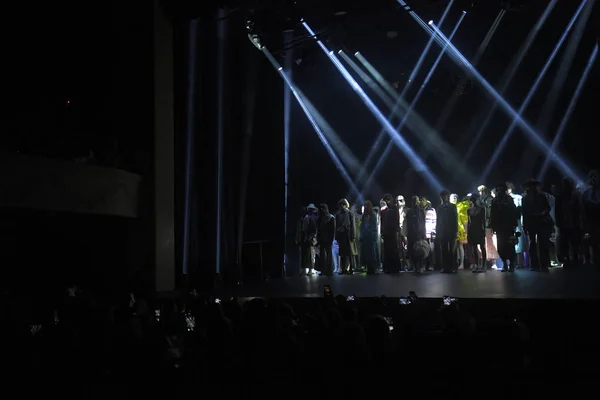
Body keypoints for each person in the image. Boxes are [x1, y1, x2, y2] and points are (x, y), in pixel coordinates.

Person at [522, 178, 552, 272]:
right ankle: (535, 264)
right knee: (533, 243)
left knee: (542, 243)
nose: (532, 187)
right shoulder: (525, 199)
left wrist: (543, 213)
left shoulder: (541, 196)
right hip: (532, 222)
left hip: (541, 221)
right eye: (531, 186)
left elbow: (547, 208)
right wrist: (525, 225)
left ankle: (543, 264)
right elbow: (525, 213)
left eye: (533, 185)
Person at [490, 183, 519, 272]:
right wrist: (493, 226)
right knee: (501, 246)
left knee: (510, 245)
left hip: (509, 225)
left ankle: (512, 264)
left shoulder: (509, 199)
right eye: (498, 189)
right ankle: (505, 264)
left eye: (501, 189)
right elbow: (492, 214)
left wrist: (514, 224)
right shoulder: (494, 200)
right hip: (499, 226)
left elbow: (513, 211)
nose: (500, 190)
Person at [555, 177, 581, 268]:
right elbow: (557, 211)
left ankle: (573, 259)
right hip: (566, 223)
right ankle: (569, 260)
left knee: (573, 243)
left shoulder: (574, 196)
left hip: (571, 223)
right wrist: (558, 222)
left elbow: (578, 210)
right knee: (566, 243)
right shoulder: (560, 197)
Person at [436, 190, 458, 273]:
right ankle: (445, 267)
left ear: (448, 196)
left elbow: (455, 219)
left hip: (451, 230)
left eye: (445, 195)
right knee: (444, 249)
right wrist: (438, 231)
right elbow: (438, 221)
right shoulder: (439, 208)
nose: (444, 197)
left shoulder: (453, 206)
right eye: (442, 196)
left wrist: (456, 231)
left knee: (452, 250)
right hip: (443, 231)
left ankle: (453, 267)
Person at [380, 193, 401, 273]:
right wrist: (382, 231)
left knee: (394, 249)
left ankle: (395, 267)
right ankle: (388, 267)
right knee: (387, 250)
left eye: (387, 200)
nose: (387, 202)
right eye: (386, 200)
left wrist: (397, 230)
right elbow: (382, 220)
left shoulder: (395, 208)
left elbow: (397, 220)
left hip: (392, 232)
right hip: (386, 232)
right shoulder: (384, 209)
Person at [405, 196, 427, 273]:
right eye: (413, 200)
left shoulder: (421, 211)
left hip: (419, 234)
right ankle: (415, 266)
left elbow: (423, 223)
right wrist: (407, 233)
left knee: (420, 250)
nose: (414, 202)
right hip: (411, 234)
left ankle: (420, 266)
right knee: (412, 251)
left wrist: (424, 233)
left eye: (416, 200)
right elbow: (407, 223)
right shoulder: (409, 211)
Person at [507, 182, 526, 268]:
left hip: (518, 221)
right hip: (510, 222)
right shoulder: (505, 199)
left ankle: (521, 262)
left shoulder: (518, 197)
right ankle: (512, 263)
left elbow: (522, 211)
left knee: (519, 242)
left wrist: (522, 221)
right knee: (511, 242)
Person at [335, 198, 357, 275]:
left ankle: (351, 268)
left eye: (343, 204)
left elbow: (353, 225)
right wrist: (336, 236)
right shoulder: (338, 214)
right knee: (342, 253)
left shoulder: (350, 213)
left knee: (350, 253)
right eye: (341, 204)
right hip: (341, 235)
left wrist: (353, 235)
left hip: (348, 235)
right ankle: (343, 269)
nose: (342, 206)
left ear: (346, 205)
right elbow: (336, 226)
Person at [468, 194, 487, 273]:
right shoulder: (469, 210)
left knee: (482, 246)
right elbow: (469, 222)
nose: (473, 201)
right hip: (472, 229)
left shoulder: (482, 209)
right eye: (472, 200)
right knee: (474, 247)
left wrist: (484, 230)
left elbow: (484, 221)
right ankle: (476, 264)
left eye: (474, 200)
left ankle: (483, 265)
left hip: (480, 228)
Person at [297, 204, 318, 276]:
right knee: (303, 255)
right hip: (303, 239)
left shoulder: (310, 218)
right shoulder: (301, 220)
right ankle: (303, 269)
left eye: (303, 211)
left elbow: (314, 230)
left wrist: (310, 238)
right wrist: (298, 238)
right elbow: (299, 230)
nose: (302, 212)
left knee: (310, 255)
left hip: (309, 239)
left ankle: (310, 270)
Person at [360, 200, 379, 274]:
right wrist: (361, 235)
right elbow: (362, 227)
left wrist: (370, 233)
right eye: (365, 205)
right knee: (366, 253)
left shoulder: (373, 215)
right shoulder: (364, 216)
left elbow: (374, 227)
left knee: (372, 253)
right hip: (365, 237)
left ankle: (373, 268)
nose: (365, 207)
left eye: (367, 205)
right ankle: (368, 268)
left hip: (371, 237)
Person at [316, 203, 336, 276]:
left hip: (328, 239)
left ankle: (329, 270)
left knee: (329, 255)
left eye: (323, 208)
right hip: (321, 239)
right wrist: (318, 239)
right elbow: (318, 229)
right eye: (320, 208)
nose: (321, 209)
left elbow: (333, 230)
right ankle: (323, 270)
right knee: (322, 255)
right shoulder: (320, 218)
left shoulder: (331, 217)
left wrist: (331, 239)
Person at [452, 193, 469, 270]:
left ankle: (461, 263)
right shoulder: (448, 207)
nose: (454, 198)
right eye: (452, 197)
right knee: (452, 247)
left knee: (460, 246)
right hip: (450, 229)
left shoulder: (460, 206)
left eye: (455, 197)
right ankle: (454, 263)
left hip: (459, 229)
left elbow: (464, 218)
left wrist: (465, 229)